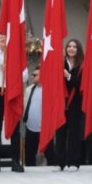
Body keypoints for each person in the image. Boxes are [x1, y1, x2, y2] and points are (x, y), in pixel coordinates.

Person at [0, 34, 27, 173]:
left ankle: (15, 161)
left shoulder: (17, 55)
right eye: (0, 38)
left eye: (4, 38)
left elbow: (25, 75)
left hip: (12, 91)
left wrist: (11, 70)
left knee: (14, 126)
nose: (2, 41)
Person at [56, 38, 85, 172]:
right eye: (69, 46)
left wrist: (68, 76)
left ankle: (74, 161)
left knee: (74, 133)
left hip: (75, 104)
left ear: (78, 50)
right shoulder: (61, 63)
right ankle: (60, 162)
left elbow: (81, 85)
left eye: (74, 47)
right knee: (60, 133)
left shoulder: (82, 66)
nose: (71, 49)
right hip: (61, 103)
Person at [22, 65, 50, 167]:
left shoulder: (49, 89)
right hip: (30, 128)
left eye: (35, 75)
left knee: (50, 154)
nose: (32, 77)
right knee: (29, 154)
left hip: (45, 129)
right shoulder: (29, 89)